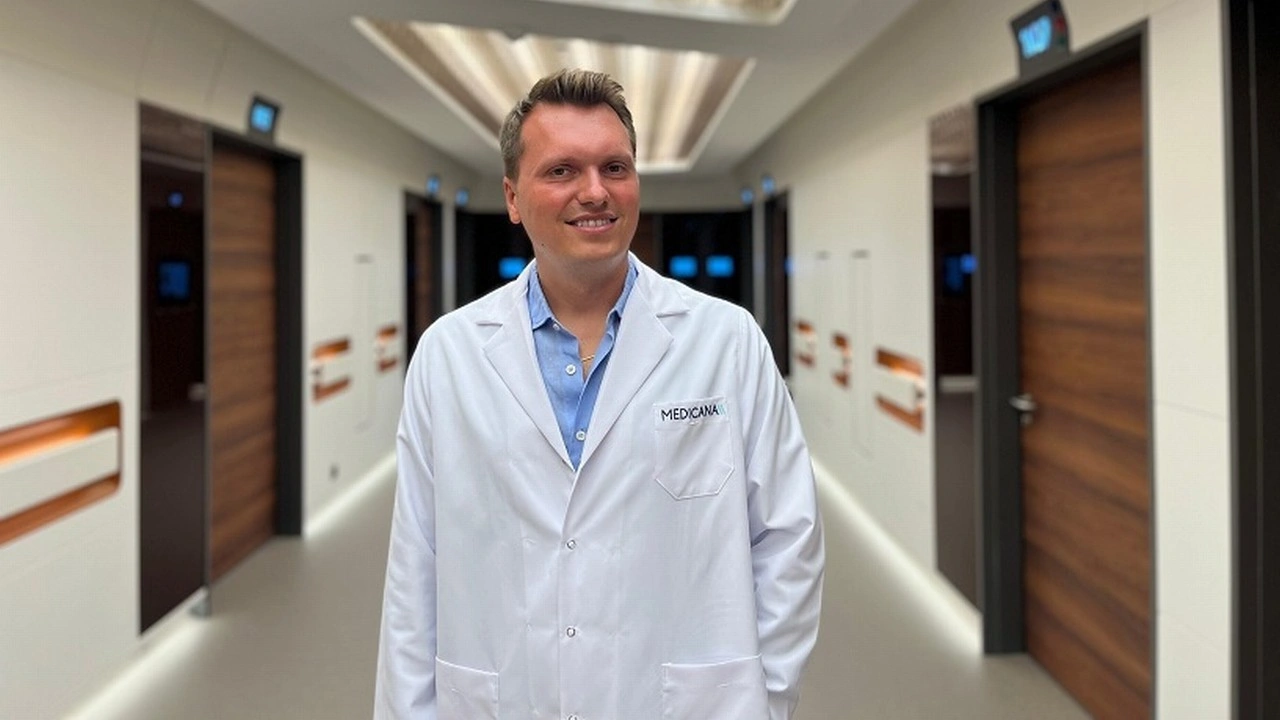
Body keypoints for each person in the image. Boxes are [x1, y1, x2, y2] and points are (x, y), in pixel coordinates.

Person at [375, 68, 823, 720]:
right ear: (512, 196)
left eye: (615, 167)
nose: (595, 191)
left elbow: (788, 540)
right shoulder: (448, 355)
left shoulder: (728, 342)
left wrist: (760, 702)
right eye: (562, 171)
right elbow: (415, 567)